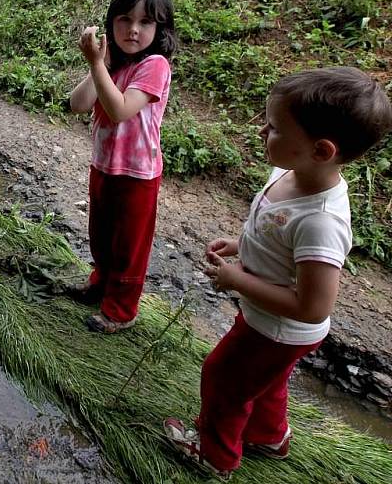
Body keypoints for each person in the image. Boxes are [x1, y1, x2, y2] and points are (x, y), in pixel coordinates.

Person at [164, 67, 392, 479]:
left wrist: (237, 279)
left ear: (321, 150)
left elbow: (312, 306)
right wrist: (241, 245)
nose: (261, 132)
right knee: (266, 382)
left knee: (224, 380)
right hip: (267, 321)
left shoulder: (322, 221)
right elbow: (274, 229)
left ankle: (215, 455)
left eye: (274, 128)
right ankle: (269, 436)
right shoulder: (292, 172)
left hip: (278, 329)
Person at [69, 0, 178, 333]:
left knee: (130, 245)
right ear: (111, 22)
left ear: (160, 28)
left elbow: (119, 110)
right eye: (125, 20)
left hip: (138, 174)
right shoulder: (114, 64)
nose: (134, 30)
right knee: (101, 233)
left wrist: (99, 64)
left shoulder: (155, 66)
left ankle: (121, 309)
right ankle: (100, 283)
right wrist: (98, 63)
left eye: (145, 22)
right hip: (104, 165)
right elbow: (78, 103)